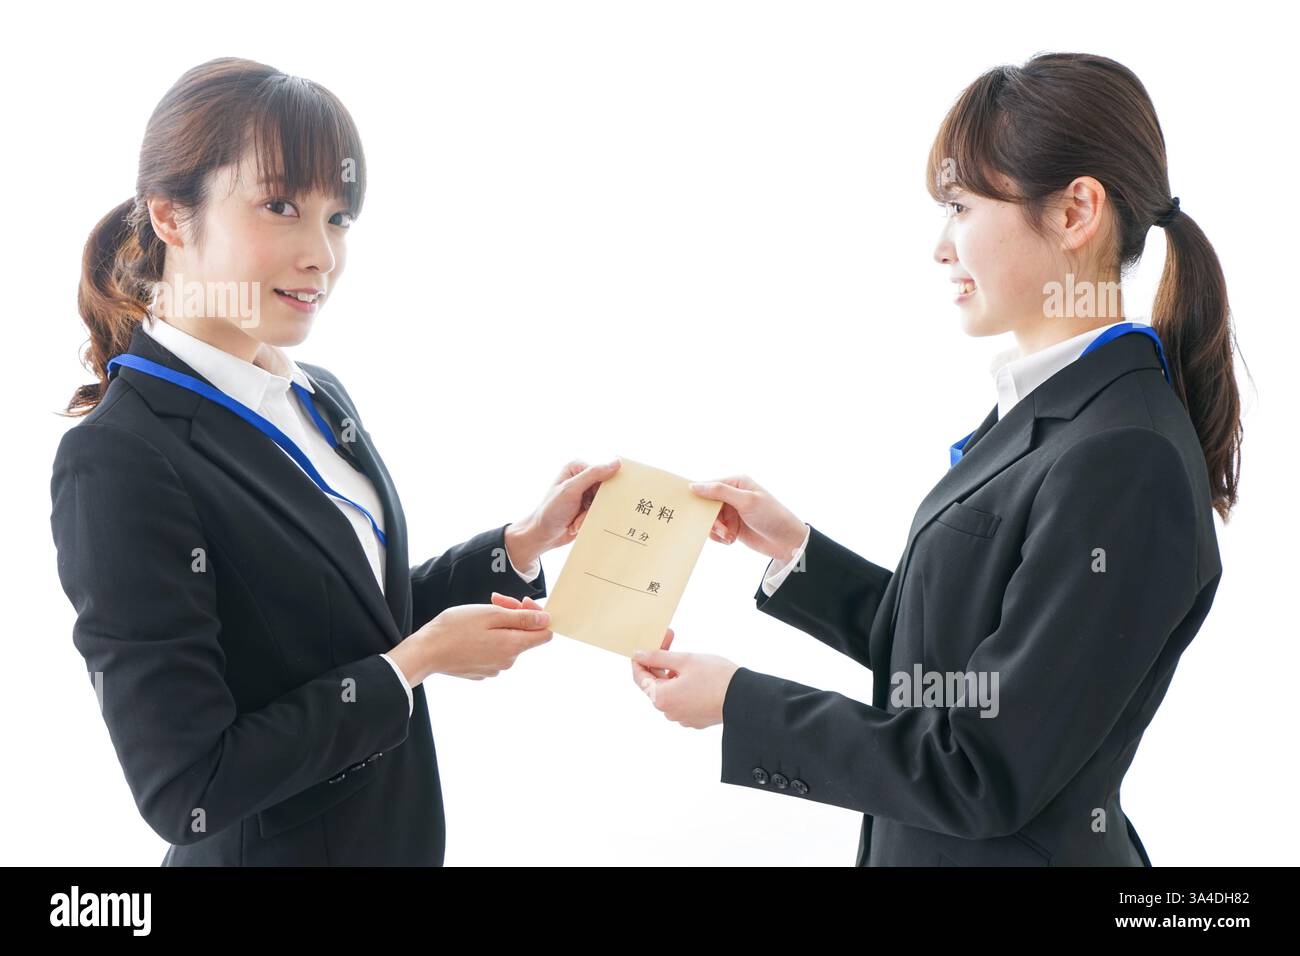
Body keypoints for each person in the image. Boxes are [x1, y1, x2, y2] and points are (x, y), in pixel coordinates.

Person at [631, 52, 1243, 866]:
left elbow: (981, 769)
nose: (941, 247)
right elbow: (964, 663)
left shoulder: (1124, 457)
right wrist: (798, 553)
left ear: (1075, 212)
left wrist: (743, 704)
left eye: (959, 206)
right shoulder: (1057, 412)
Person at [50, 56, 617, 865]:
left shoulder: (318, 394)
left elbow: (343, 627)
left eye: (339, 217)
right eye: (279, 206)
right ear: (172, 217)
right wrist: (414, 665)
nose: (322, 255)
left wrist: (518, 545)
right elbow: (189, 788)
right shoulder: (117, 460)